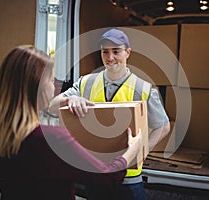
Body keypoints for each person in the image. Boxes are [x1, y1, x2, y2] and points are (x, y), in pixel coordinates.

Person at [0, 45, 143, 200]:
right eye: (51, 80)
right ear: (38, 88)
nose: (54, 87)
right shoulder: (50, 139)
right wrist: (130, 152)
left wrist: (68, 99)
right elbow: (106, 177)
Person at [49, 28, 170, 200]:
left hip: (128, 177)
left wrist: (141, 151)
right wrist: (70, 100)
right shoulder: (85, 83)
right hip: (95, 173)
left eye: (116, 51)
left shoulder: (144, 88)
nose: (110, 57)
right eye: (105, 52)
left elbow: (163, 126)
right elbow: (52, 106)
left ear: (127, 53)